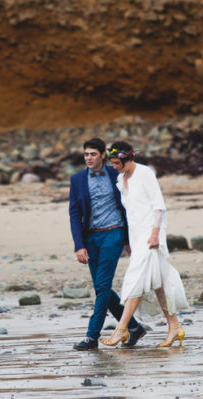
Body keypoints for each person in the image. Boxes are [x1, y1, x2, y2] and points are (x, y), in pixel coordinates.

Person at [100, 141, 188, 348]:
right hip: (137, 235)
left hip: (151, 234)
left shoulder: (145, 173)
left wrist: (156, 233)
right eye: (112, 163)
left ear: (127, 159)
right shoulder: (121, 179)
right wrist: (129, 241)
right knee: (159, 282)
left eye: (116, 163)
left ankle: (120, 330)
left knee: (135, 279)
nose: (114, 167)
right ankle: (174, 326)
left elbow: (159, 206)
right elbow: (131, 211)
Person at [69, 137, 147, 350]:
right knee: (102, 288)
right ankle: (134, 327)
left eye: (93, 154)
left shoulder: (117, 174)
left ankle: (91, 336)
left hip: (114, 233)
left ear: (103, 155)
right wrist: (79, 245)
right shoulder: (77, 180)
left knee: (102, 287)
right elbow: (74, 214)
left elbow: (131, 206)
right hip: (91, 238)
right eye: (86, 154)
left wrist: (130, 240)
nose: (89, 158)